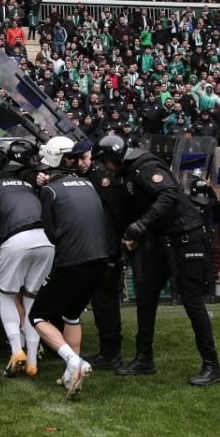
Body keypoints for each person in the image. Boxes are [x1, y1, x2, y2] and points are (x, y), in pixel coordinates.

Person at [96, 134, 220, 386]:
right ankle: (144, 358)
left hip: (186, 236)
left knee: (191, 300)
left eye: (106, 162)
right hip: (162, 239)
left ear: (115, 158)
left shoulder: (146, 167)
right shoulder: (128, 173)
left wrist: (140, 226)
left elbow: (169, 196)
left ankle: (212, 365)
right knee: (145, 295)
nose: (105, 169)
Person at [32, 136, 107, 399]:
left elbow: (50, 232)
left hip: (71, 260)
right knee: (72, 315)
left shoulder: (50, 191)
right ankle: (71, 375)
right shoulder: (88, 184)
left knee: (38, 316)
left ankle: (73, 362)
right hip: (100, 259)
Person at [0, 139, 52, 379]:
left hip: (16, 239)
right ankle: (32, 361)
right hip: (46, 240)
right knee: (31, 300)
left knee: (6, 296)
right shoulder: (29, 185)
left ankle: (16, 350)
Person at [81, 138, 129, 370]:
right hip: (102, 249)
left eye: (84, 157)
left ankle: (110, 352)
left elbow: (118, 215)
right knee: (103, 304)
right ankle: (110, 350)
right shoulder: (96, 178)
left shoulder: (102, 180)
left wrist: (117, 243)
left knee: (105, 304)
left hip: (106, 251)